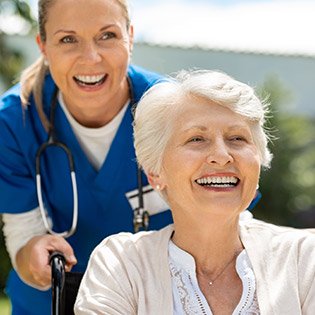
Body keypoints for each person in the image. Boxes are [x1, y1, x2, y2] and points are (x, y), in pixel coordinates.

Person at [74, 69, 315, 315]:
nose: (222, 156)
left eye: (237, 138)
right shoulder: (121, 264)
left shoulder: (304, 259)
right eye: (197, 139)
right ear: (155, 173)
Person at [0, 0, 173, 314]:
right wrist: (34, 255)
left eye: (107, 35)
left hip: (155, 300)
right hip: (52, 302)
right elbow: (23, 235)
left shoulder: (176, 113)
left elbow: (220, 225)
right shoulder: (13, 123)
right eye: (68, 39)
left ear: (130, 37)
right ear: (43, 46)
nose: (91, 58)